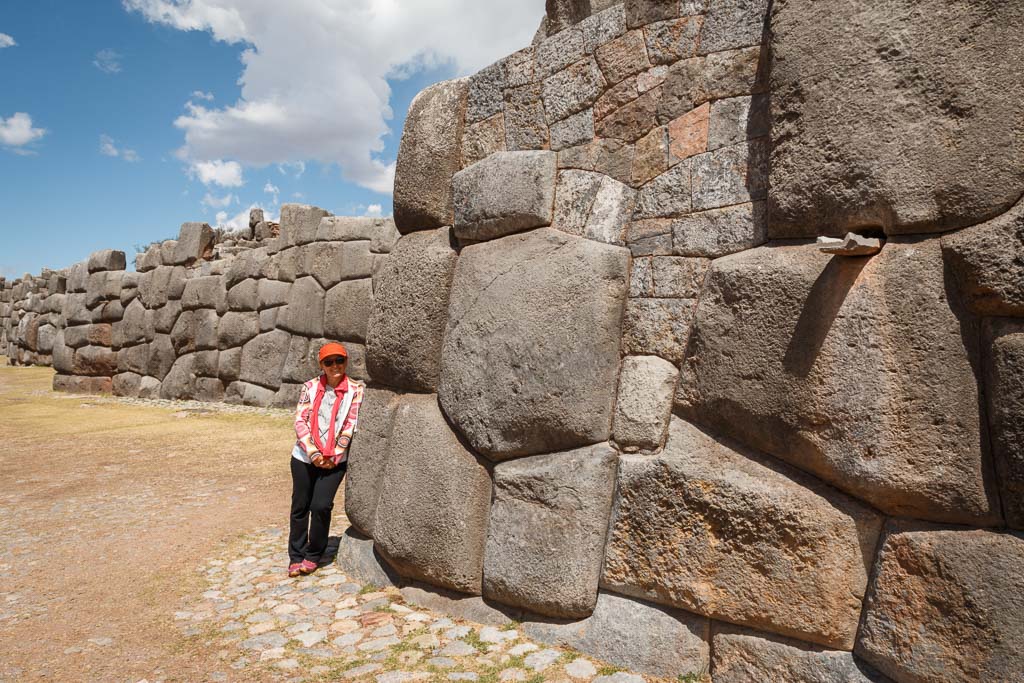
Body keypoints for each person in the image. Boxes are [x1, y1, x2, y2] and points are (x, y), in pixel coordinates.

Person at [288, 341, 364, 577]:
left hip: (335, 461)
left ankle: (314, 554)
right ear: (321, 365)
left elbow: (351, 423)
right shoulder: (309, 387)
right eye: (329, 362)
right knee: (300, 506)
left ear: (346, 362)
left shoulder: (356, 390)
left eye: (339, 360)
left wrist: (334, 455)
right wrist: (314, 453)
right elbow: (301, 421)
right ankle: (296, 556)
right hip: (304, 456)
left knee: (320, 505)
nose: (335, 366)